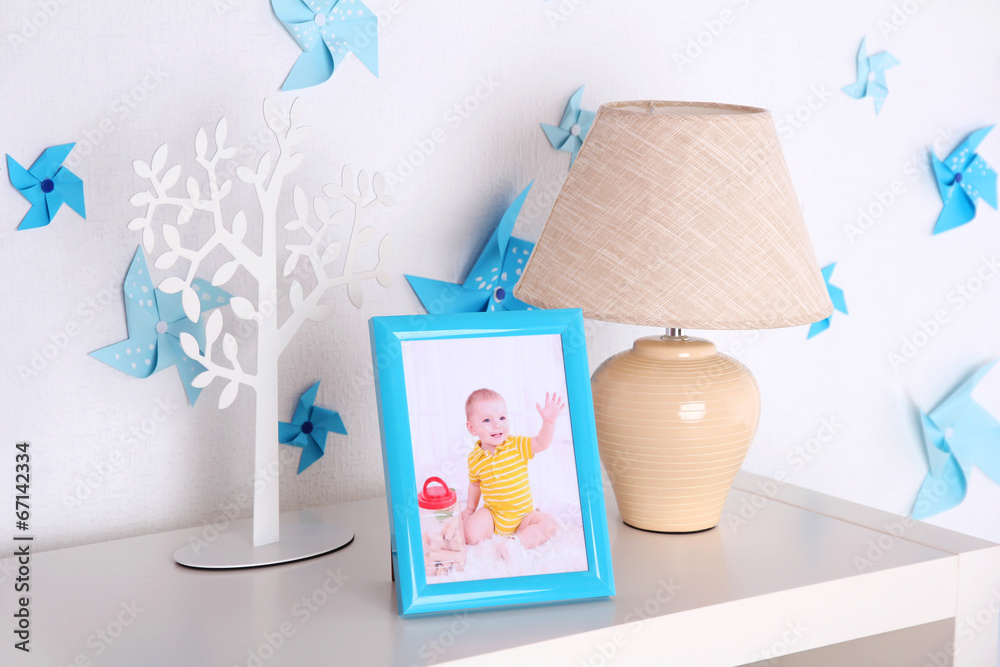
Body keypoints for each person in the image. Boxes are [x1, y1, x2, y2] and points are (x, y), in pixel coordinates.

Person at [462, 388, 564, 549]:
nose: (497, 425)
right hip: (493, 516)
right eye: (487, 420)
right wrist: (470, 509)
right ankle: (488, 532)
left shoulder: (516, 445)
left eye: (502, 417)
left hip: (524, 516)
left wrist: (548, 422)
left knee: (550, 524)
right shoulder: (474, 458)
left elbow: (541, 443)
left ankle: (517, 544)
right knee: (469, 533)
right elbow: (475, 484)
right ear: (472, 428)